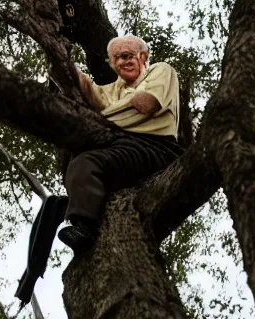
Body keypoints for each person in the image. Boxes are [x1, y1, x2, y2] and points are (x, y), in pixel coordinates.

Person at [58, 35, 183, 253]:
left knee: (88, 161)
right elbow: (88, 89)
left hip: (156, 147)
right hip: (121, 148)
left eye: (127, 56)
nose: (122, 63)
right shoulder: (114, 89)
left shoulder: (161, 70)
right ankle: (84, 223)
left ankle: (85, 228)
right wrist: (60, 59)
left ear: (143, 56)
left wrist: (103, 116)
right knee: (80, 163)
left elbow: (147, 104)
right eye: (116, 59)